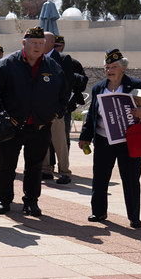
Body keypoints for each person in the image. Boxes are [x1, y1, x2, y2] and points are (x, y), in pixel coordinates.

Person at [0, 26, 70, 217]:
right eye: (33, 43)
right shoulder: (7, 64)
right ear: (23, 43)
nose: (37, 47)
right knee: (6, 166)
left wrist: (55, 115)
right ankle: (3, 199)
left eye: (40, 43)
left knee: (35, 167)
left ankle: (31, 201)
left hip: (40, 127)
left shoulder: (53, 67)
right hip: (11, 125)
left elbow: (64, 94)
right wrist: (3, 117)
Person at [81, 50, 141, 228]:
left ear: (123, 68)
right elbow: (92, 115)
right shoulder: (99, 87)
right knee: (100, 178)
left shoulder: (137, 85)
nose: (109, 70)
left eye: (114, 67)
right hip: (103, 139)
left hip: (129, 141)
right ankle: (98, 212)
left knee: (130, 179)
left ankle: (134, 217)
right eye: (107, 67)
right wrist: (85, 137)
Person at [42, 33, 87, 185]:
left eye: (43, 39)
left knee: (60, 141)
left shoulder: (63, 59)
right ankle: (46, 170)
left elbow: (68, 85)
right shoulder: (36, 57)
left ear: (51, 42)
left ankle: (64, 172)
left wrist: (62, 107)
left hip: (56, 108)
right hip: (40, 109)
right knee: (43, 140)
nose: (40, 41)